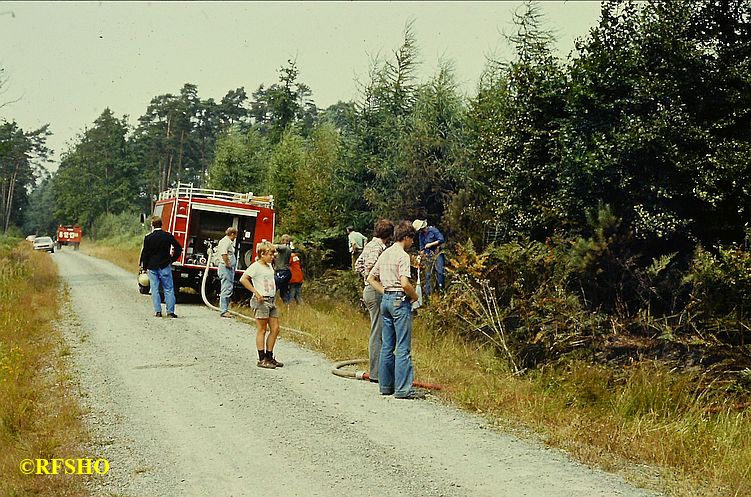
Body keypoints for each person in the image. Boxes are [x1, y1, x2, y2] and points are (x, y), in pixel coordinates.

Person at [367, 220, 423, 399]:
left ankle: (385, 386)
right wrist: (415, 297)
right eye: (412, 239)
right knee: (403, 347)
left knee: (387, 346)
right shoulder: (402, 256)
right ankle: (403, 389)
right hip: (400, 300)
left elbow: (370, 278)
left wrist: (385, 292)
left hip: (386, 300)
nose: (412, 242)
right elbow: (405, 283)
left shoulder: (385, 253)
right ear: (405, 238)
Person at [355, 219, 394, 384]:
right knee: (377, 331)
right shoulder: (377, 247)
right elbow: (370, 268)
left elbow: (358, 265)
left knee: (379, 330)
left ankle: (381, 370)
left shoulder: (371, 245)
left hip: (372, 289)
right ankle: (376, 373)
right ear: (389, 234)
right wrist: (377, 280)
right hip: (375, 290)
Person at [240, 241, 284, 369]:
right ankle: (261, 358)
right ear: (262, 254)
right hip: (261, 300)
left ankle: (269, 356)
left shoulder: (269, 266)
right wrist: (256, 292)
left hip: (271, 300)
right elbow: (243, 279)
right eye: (270, 254)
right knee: (262, 329)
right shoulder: (255, 266)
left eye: (273, 254)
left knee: (275, 329)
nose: (272, 256)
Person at [139, 216, 182, 318]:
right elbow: (179, 248)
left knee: (154, 289)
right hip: (165, 265)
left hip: (152, 266)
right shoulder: (167, 236)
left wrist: (144, 267)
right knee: (168, 289)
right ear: (161, 224)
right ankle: (170, 312)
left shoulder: (148, 237)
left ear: (152, 225)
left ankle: (158, 311)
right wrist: (172, 259)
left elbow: (145, 253)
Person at [413, 219, 446, 297]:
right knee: (428, 275)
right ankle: (429, 295)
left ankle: (441, 291)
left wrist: (431, 244)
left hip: (437, 254)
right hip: (428, 256)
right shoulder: (421, 234)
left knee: (440, 272)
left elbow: (441, 239)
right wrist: (420, 255)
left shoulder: (433, 230)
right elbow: (422, 248)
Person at [216, 227, 238, 318]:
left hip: (226, 268)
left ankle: (225, 309)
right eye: (235, 235)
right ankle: (223, 310)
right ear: (232, 234)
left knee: (227, 287)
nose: (235, 237)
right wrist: (228, 263)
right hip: (225, 268)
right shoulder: (226, 242)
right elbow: (224, 253)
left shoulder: (225, 241)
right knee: (226, 288)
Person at [274, 234, 293, 304]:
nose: (281, 241)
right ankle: (288, 307)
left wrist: (266, 244)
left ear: (285, 241)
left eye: (282, 240)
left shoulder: (284, 248)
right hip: (286, 272)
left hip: (282, 272)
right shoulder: (287, 250)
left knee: (273, 288)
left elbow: (276, 246)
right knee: (284, 291)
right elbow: (277, 255)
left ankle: (269, 304)